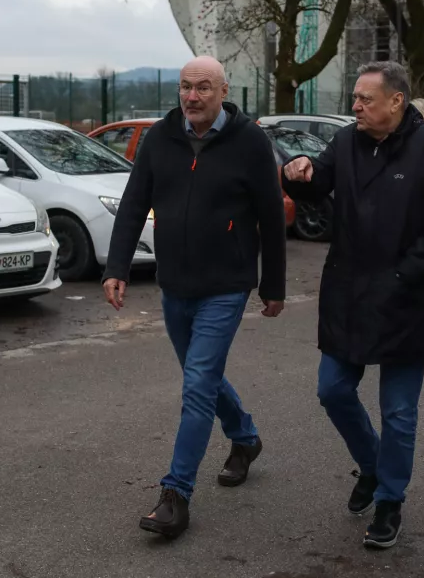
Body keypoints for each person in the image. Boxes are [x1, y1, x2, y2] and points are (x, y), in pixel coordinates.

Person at [102, 55, 287, 539]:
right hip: (175, 284)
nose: (192, 96)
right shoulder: (161, 138)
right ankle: (245, 439)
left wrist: (274, 286)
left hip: (226, 285)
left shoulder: (249, 142)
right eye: (186, 87)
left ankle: (175, 494)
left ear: (224, 90)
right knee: (200, 378)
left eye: (203, 87)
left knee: (198, 383)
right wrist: (117, 267)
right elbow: (134, 202)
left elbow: (271, 217)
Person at [282, 61, 424, 550]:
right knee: (332, 390)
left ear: (396, 101)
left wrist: (402, 275)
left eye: (364, 99)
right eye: (354, 97)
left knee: (399, 412)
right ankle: (372, 465)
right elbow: (316, 182)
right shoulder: (347, 141)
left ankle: (391, 500)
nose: (354, 106)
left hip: (404, 296)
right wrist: (296, 174)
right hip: (348, 293)